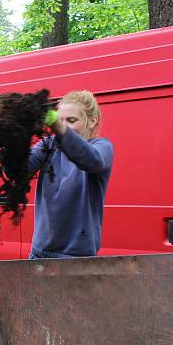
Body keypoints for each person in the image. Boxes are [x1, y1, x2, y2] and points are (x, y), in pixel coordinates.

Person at [28, 90, 114, 258]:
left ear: (92, 121)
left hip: (77, 259)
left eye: (71, 120)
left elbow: (90, 159)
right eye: (61, 120)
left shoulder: (102, 147)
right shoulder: (48, 145)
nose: (63, 125)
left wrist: (57, 125)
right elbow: (18, 170)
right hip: (40, 255)